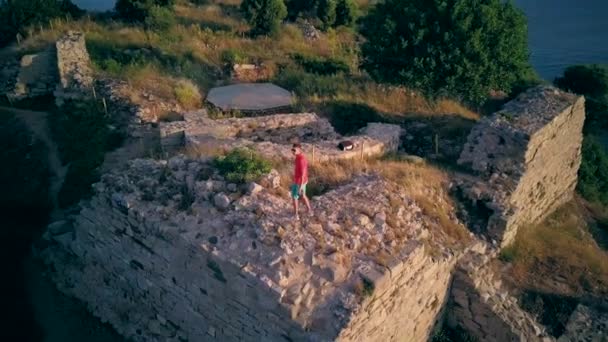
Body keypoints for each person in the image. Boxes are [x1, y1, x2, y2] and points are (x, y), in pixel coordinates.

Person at [291, 143, 312, 220]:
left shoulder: (301, 159)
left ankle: (296, 215)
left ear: (299, 150)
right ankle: (310, 211)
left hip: (299, 182)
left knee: (295, 197)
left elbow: (303, 174)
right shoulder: (298, 157)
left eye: (294, 150)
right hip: (300, 181)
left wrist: (300, 186)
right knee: (303, 196)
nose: (292, 151)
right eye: (292, 150)